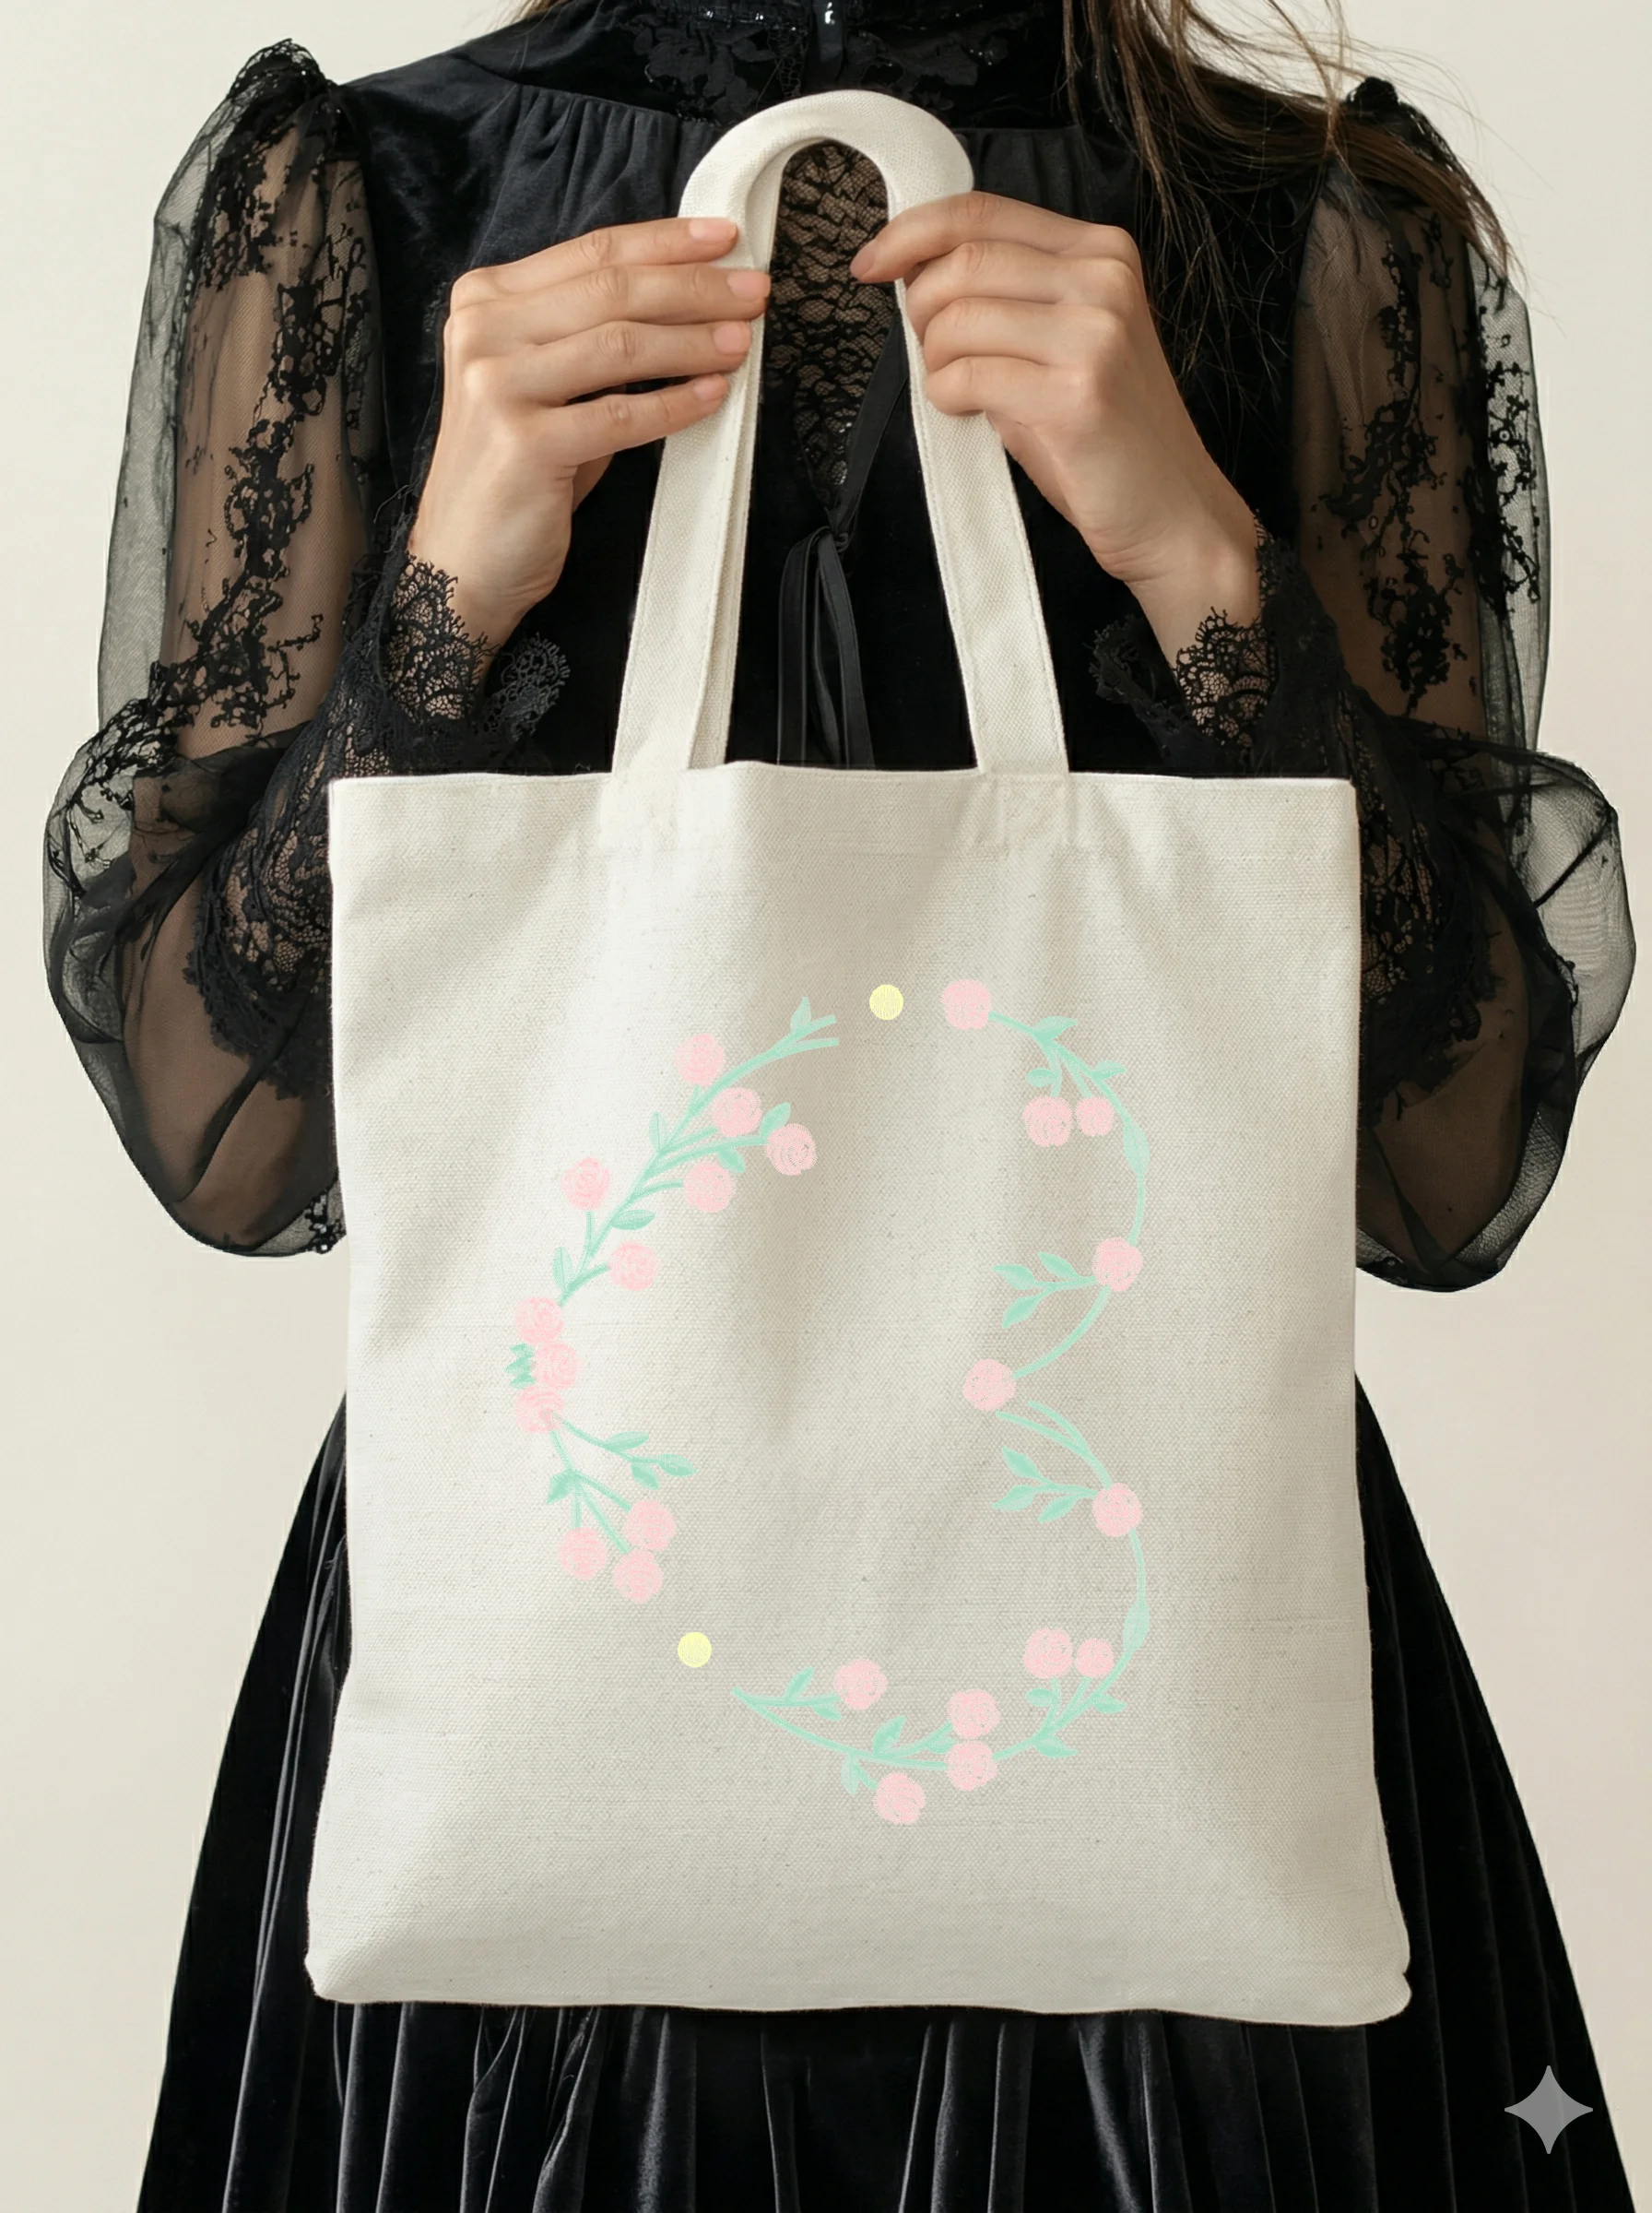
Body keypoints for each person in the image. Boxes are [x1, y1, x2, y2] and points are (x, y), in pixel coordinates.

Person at [43, 1, 1637, 2205]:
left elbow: (1434, 1170)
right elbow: (228, 1137)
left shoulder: (1315, 226)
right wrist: (442, 601)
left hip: (1147, 1640)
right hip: (556, 1646)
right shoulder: (367, 202)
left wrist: (1202, 568)